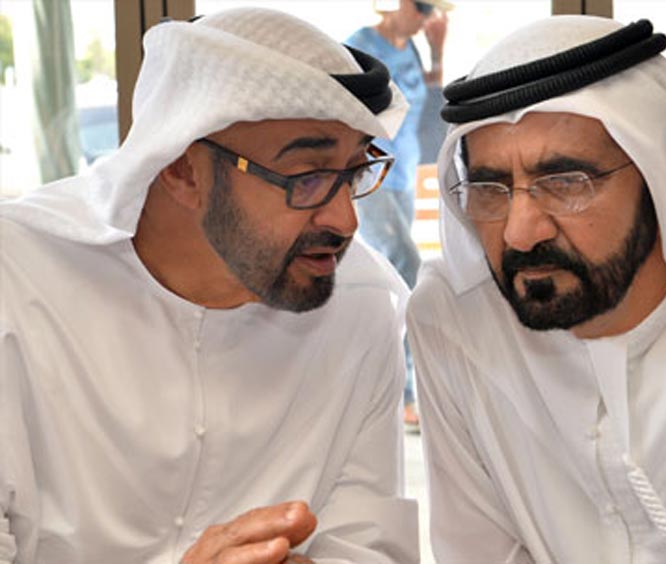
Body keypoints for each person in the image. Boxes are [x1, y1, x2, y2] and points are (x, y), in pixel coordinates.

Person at [0, 8, 419, 563]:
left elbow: (368, 543)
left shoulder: (361, 302)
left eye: (355, 171)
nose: (346, 220)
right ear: (181, 168)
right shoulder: (16, 278)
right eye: (307, 177)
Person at [407, 16, 666, 564]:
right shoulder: (454, 317)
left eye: (565, 183)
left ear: (660, 176)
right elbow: (479, 552)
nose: (520, 232)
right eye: (491, 188)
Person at [346, 0, 451, 431]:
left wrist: (437, 52)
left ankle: (387, 384)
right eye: (421, 6)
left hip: (403, 176)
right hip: (373, 177)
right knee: (407, 265)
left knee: (394, 278)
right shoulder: (360, 46)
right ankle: (405, 392)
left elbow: (429, 103)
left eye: (430, 11)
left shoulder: (411, 49)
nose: (425, 17)